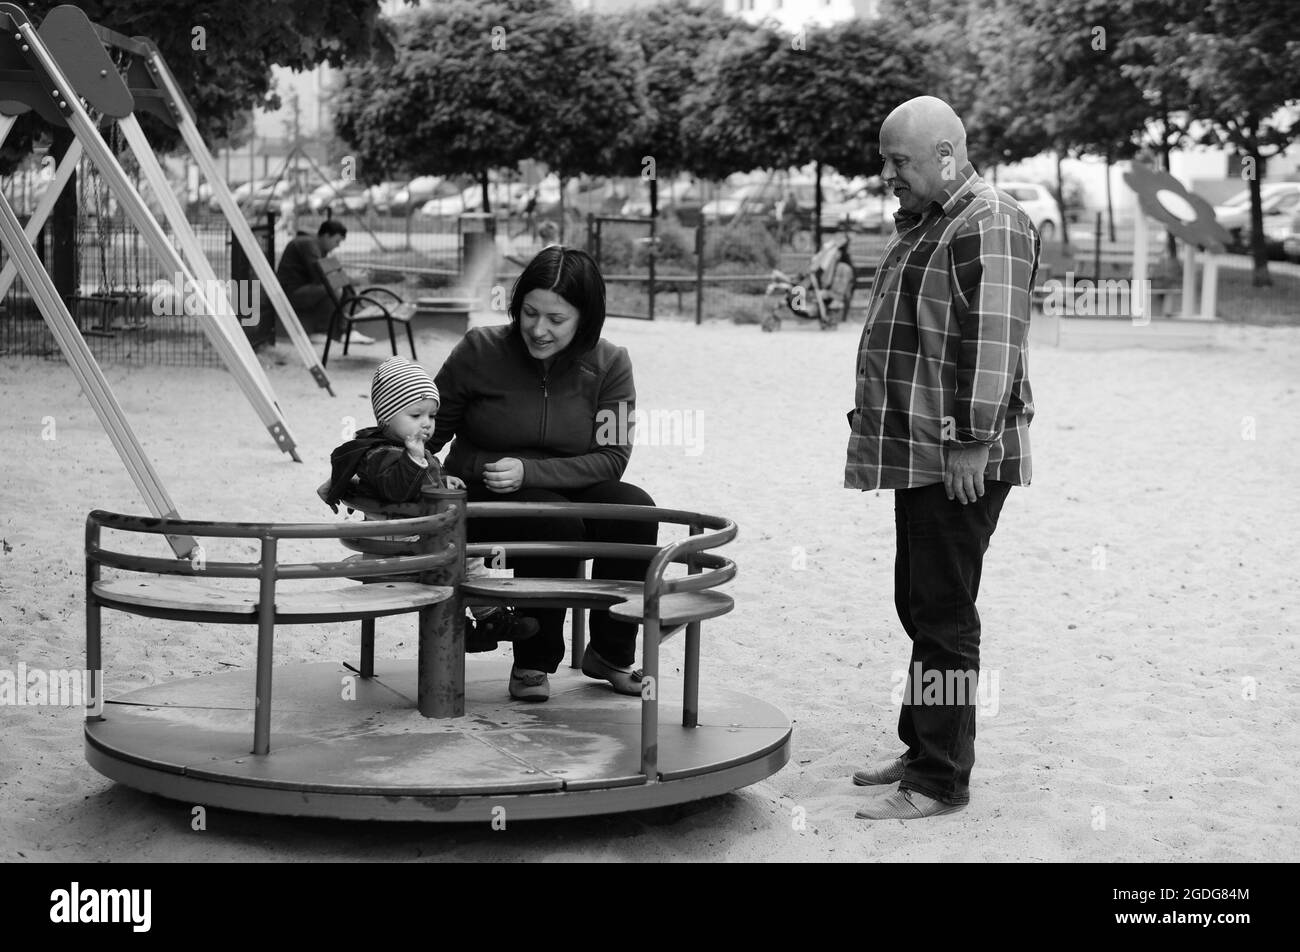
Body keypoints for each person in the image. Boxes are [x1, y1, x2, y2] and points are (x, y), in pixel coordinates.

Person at [845, 96, 1036, 820]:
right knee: (920, 602)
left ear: (947, 156)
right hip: (925, 449)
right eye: (887, 159)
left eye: (899, 161)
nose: (887, 173)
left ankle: (938, 779)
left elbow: (991, 342)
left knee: (944, 614)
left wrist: (970, 442)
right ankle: (923, 745)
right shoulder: (937, 220)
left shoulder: (988, 220)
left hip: (958, 455)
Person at [430, 246, 656, 703]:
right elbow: (427, 431)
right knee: (553, 522)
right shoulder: (479, 349)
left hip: (566, 484)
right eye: (530, 313)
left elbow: (612, 457)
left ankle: (610, 653)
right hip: (488, 492)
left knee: (636, 510)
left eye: (556, 319)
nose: (538, 329)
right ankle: (534, 659)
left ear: (585, 318)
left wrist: (531, 470)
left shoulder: (612, 364)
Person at [324, 356, 538, 653]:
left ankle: (472, 626)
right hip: (396, 553)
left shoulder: (404, 450)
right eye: (416, 415)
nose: (426, 423)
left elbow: (422, 480)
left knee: (465, 552)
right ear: (386, 416)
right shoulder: (380, 454)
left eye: (431, 416)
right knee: (463, 556)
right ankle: (487, 619)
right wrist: (414, 459)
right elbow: (397, 489)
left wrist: (441, 481)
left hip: (412, 543)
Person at [274, 219, 372, 345]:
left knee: (341, 284)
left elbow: (327, 274)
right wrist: (354, 280)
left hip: (303, 289)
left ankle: (347, 332)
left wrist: (348, 279)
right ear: (326, 236)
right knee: (334, 287)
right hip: (291, 293)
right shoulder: (308, 245)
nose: (338, 246)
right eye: (337, 241)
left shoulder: (315, 245)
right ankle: (321, 332)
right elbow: (322, 277)